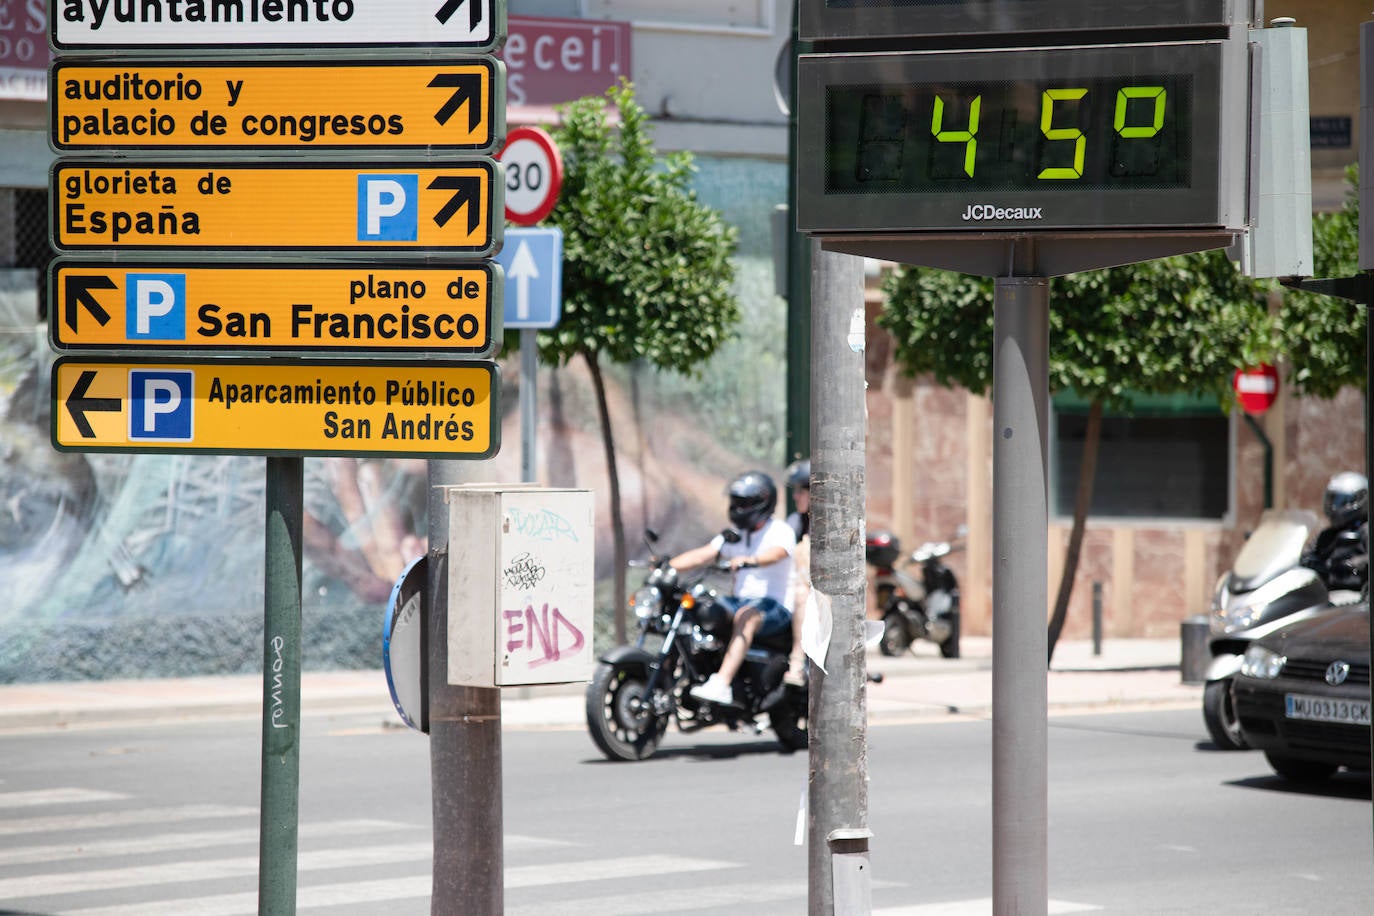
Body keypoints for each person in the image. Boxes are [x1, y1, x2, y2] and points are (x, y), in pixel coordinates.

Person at [673, 470, 796, 707]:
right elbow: (704, 554)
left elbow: (778, 553)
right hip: (740, 601)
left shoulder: (779, 530)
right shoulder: (735, 535)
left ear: (762, 503)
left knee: (746, 616)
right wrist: (667, 566)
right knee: (700, 608)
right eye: (736, 502)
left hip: (775, 606)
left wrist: (751, 560)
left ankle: (721, 683)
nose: (738, 508)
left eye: (744, 503)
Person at [1301, 470, 1369, 594]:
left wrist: (1356, 563)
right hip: (1326, 595)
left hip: (1357, 598)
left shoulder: (1367, 531)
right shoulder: (1327, 534)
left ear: (1360, 499)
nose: (1333, 507)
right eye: (1331, 499)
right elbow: (1307, 556)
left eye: (1341, 501)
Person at [783, 459, 811, 686]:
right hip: (791, 591)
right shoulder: (795, 522)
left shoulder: (832, 524)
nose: (796, 497)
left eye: (801, 491)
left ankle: (797, 661)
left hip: (817, 598)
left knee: (801, 594)